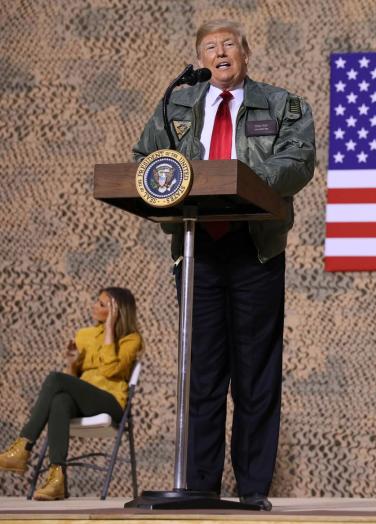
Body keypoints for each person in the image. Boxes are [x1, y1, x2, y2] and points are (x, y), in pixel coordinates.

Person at [132, 20, 315, 510]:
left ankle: (252, 489)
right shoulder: (177, 104)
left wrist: (239, 181)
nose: (219, 53)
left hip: (255, 245)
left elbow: (297, 160)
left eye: (228, 45)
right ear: (201, 59)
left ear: (246, 53)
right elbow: (143, 159)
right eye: (209, 48)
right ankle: (198, 486)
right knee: (203, 372)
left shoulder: (283, 104)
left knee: (255, 372)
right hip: (196, 248)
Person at [0, 287, 142, 501]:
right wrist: (73, 363)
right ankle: (57, 479)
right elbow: (74, 381)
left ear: (117, 312)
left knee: (55, 379)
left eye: (102, 304)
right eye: (97, 301)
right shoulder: (85, 335)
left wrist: (110, 329)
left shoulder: (132, 339)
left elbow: (110, 371)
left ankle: (23, 446)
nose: (95, 306)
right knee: (60, 400)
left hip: (111, 402)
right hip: (85, 399)